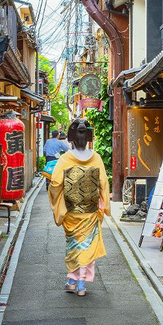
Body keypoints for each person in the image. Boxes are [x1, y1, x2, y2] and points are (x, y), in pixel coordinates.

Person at [47, 118, 110, 297]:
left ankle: (73, 280)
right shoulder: (96, 157)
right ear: (89, 136)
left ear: (71, 137)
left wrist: (57, 201)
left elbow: (56, 183)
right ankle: (81, 282)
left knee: (73, 244)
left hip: (71, 211)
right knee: (88, 246)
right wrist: (104, 205)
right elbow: (103, 183)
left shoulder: (66, 159)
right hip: (90, 212)